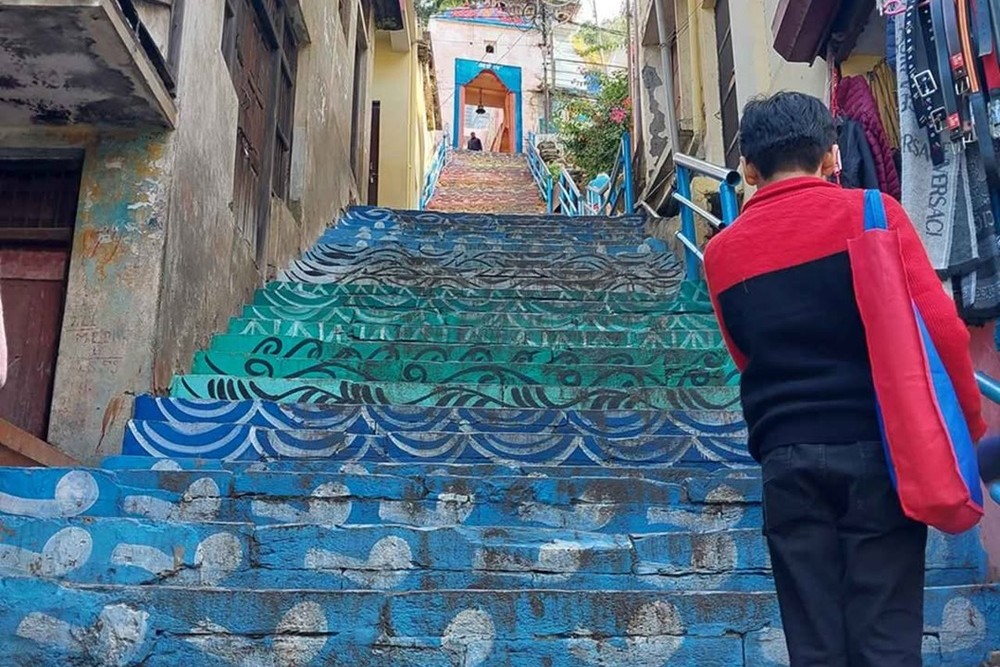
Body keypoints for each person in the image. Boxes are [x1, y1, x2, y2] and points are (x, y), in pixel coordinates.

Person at [703, 91, 987, 667]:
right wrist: (969, 427)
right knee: (884, 636)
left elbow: (744, 353)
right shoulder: (870, 213)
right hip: (877, 452)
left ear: (750, 169)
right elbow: (944, 333)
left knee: (815, 644)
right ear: (832, 156)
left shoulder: (721, 252)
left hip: (785, 457)